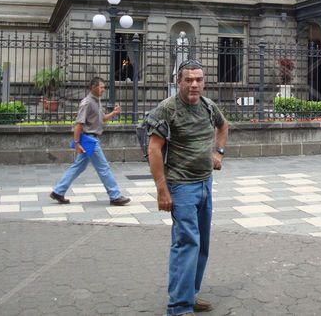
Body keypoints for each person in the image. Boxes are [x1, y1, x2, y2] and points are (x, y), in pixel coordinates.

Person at [148, 59, 229, 316]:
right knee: (186, 243)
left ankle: (190, 295)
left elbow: (223, 126)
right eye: (188, 80)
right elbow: (154, 149)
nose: (194, 84)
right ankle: (178, 307)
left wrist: (219, 152)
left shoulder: (208, 106)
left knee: (201, 244)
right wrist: (162, 189)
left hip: (205, 183)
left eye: (198, 79)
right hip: (181, 186)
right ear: (178, 82)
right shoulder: (167, 109)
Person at [50, 77, 131, 206]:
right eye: (101, 87)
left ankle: (58, 191)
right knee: (104, 168)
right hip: (90, 140)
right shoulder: (87, 102)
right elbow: (78, 124)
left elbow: (102, 119)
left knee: (77, 167)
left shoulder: (97, 101)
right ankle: (115, 195)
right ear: (93, 87)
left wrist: (113, 113)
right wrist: (77, 144)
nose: (103, 90)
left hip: (90, 139)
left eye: (104, 87)